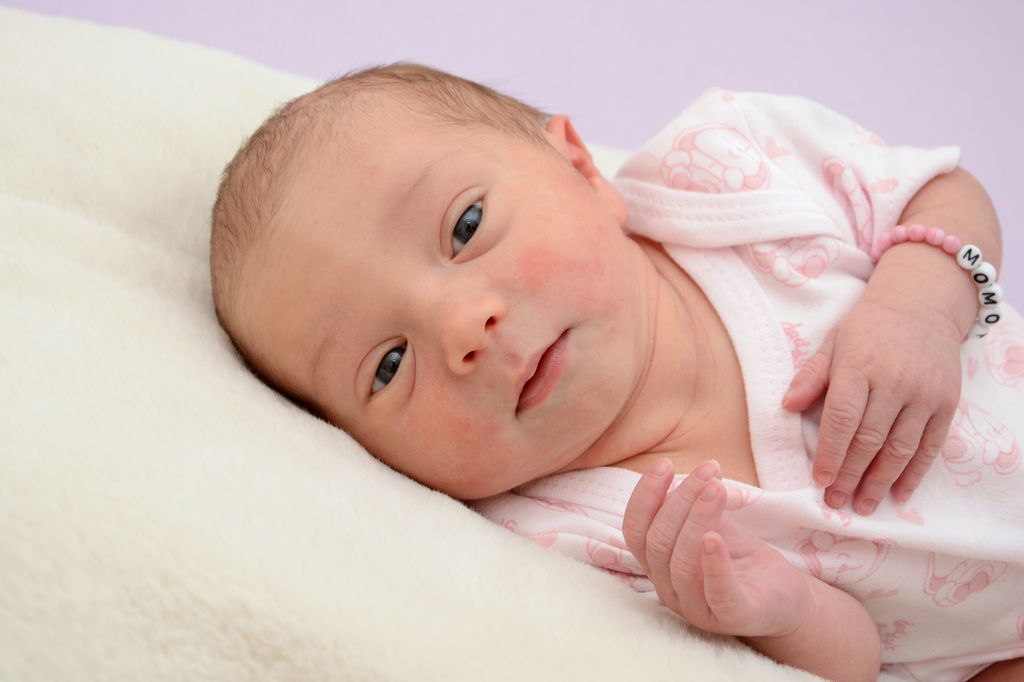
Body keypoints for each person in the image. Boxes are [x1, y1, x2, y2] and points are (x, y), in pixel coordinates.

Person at [208, 62, 1024, 681]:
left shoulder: (730, 171)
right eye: (388, 365)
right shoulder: (564, 540)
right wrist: (786, 612)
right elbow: (857, 660)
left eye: (465, 225)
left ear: (578, 165)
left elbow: (941, 190)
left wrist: (919, 305)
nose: (461, 327)